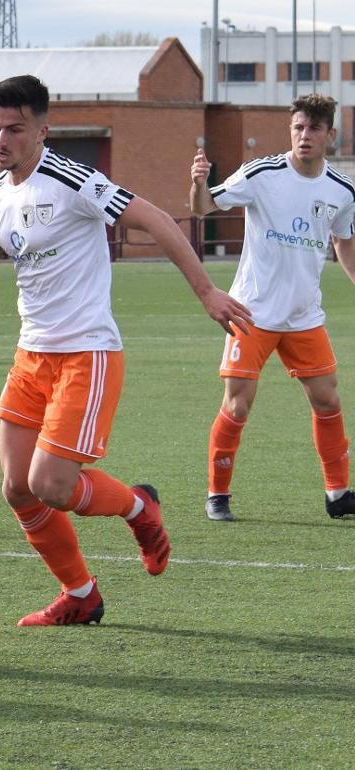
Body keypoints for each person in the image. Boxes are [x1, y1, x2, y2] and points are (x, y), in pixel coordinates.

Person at [0, 75, 252, 627]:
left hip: (86, 354)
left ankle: (140, 507)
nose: (2, 139)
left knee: (53, 485)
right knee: (18, 489)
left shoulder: (71, 179)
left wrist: (208, 291)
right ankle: (81, 594)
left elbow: (158, 220)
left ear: (43, 131)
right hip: (31, 356)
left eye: (14, 129)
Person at [190, 93, 355, 522]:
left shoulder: (341, 190)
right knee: (238, 405)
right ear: (291, 130)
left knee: (327, 399)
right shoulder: (261, 173)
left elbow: (344, 242)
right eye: (298, 127)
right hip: (253, 313)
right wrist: (198, 183)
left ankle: (338, 495)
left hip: (304, 315)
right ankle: (217, 494)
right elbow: (204, 207)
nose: (305, 136)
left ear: (329, 135)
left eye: (314, 129)